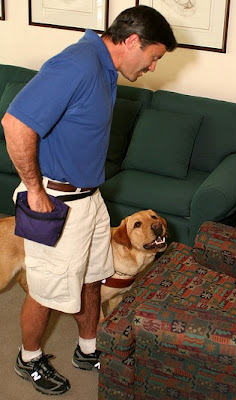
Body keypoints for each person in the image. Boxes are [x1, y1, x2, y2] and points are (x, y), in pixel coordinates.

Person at [1, 5, 177, 396]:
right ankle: (28, 358)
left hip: (90, 198)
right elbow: (15, 123)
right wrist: (34, 190)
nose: (152, 68)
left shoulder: (103, 68)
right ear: (133, 41)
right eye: (153, 58)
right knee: (47, 290)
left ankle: (87, 348)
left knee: (94, 278)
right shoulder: (76, 64)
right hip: (56, 202)